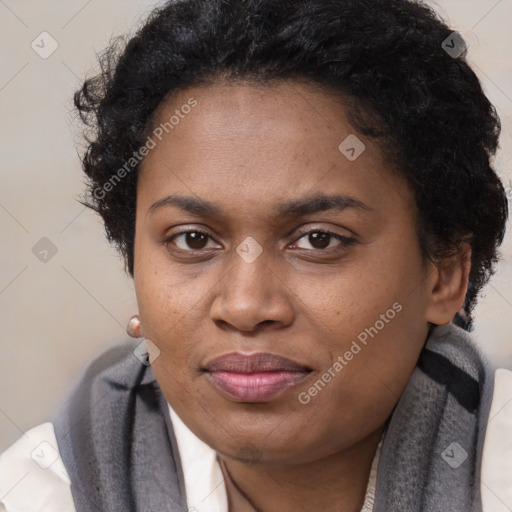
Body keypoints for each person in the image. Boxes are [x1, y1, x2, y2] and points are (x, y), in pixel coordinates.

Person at [1, 0, 511, 510]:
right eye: (193, 239)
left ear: (444, 274)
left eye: (318, 239)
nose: (245, 307)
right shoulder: (38, 494)